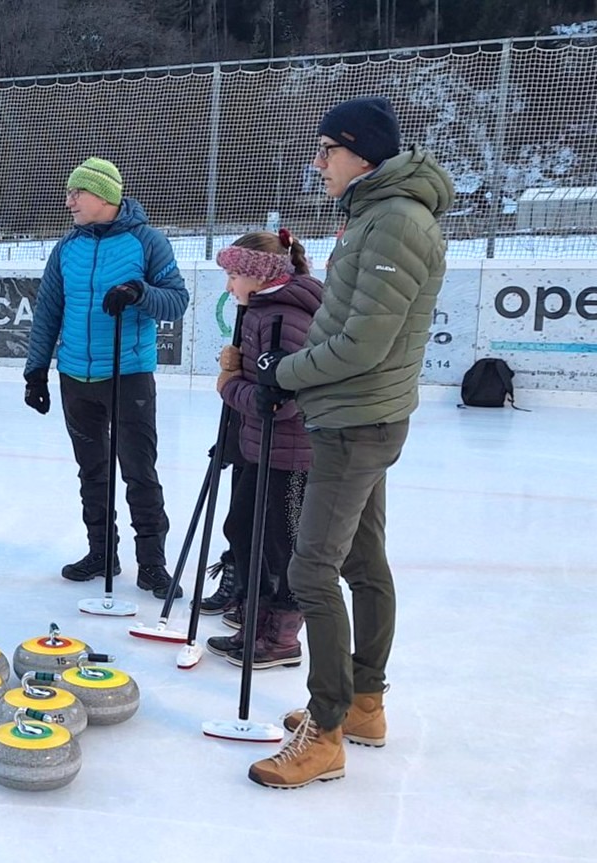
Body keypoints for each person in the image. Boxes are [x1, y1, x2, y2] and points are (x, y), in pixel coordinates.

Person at [247, 96, 452, 789]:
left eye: (327, 148)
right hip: (357, 411)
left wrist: (286, 371)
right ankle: (364, 704)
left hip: (356, 418)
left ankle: (326, 728)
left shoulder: (394, 221)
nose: (318, 161)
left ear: (363, 152)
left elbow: (365, 342)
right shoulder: (374, 214)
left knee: (312, 570)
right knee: (363, 559)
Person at [23, 157, 189, 596]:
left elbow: (176, 302)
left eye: (77, 192)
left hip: (128, 374)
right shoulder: (67, 248)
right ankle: (101, 553)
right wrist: (36, 371)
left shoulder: (148, 243)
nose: (69, 201)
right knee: (92, 472)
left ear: (104, 196)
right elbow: (48, 313)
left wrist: (139, 293)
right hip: (75, 376)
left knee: (139, 471)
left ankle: (152, 563)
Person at [203, 230, 322, 670]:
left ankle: (282, 635)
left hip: (290, 456)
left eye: (234, 274)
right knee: (245, 531)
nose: (228, 285)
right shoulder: (262, 310)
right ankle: (257, 616)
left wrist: (231, 384)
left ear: (258, 276)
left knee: (279, 545)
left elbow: (283, 403)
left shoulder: (283, 318)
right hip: (260, 449)